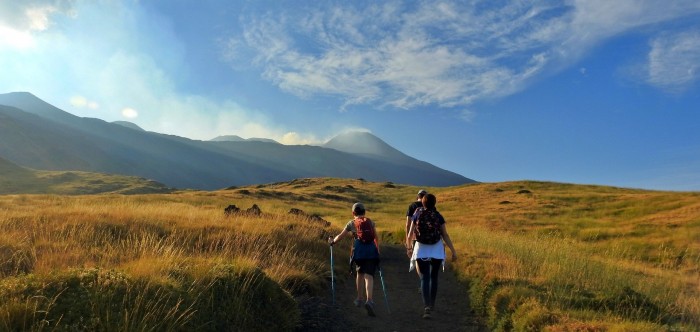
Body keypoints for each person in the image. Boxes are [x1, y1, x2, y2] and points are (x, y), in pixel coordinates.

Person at [406, 193, 457, 319]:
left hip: (421, 248)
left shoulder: (417, 213)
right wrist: (453, 251)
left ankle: (426, 307)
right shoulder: (438, 216)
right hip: (436, 249)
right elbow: (445, 235)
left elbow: (410, 232)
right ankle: (432, 304)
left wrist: (408, 248)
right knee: (434, 277)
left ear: (422, 203)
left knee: (424, 278)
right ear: (435, 203)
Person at [329, 202, 380, 317]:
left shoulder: (351, 223)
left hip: (358, 252)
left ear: (353, 213)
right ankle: (370, 300)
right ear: (364, 211)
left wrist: (332, 242)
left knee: (360, 273)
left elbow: (340, 236)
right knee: (369, 276)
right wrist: (377, 250)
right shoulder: (370, 222)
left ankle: (359, 298)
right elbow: (375, 237)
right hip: (371, 251)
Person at [406, 189, 428, 291]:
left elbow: (408, 224)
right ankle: (427, 281)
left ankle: (423, 282)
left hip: (416, 237)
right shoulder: (429, 205)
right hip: (430, 238)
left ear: (417, 197)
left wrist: (407, 240)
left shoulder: (412, 206)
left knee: (418, 260)